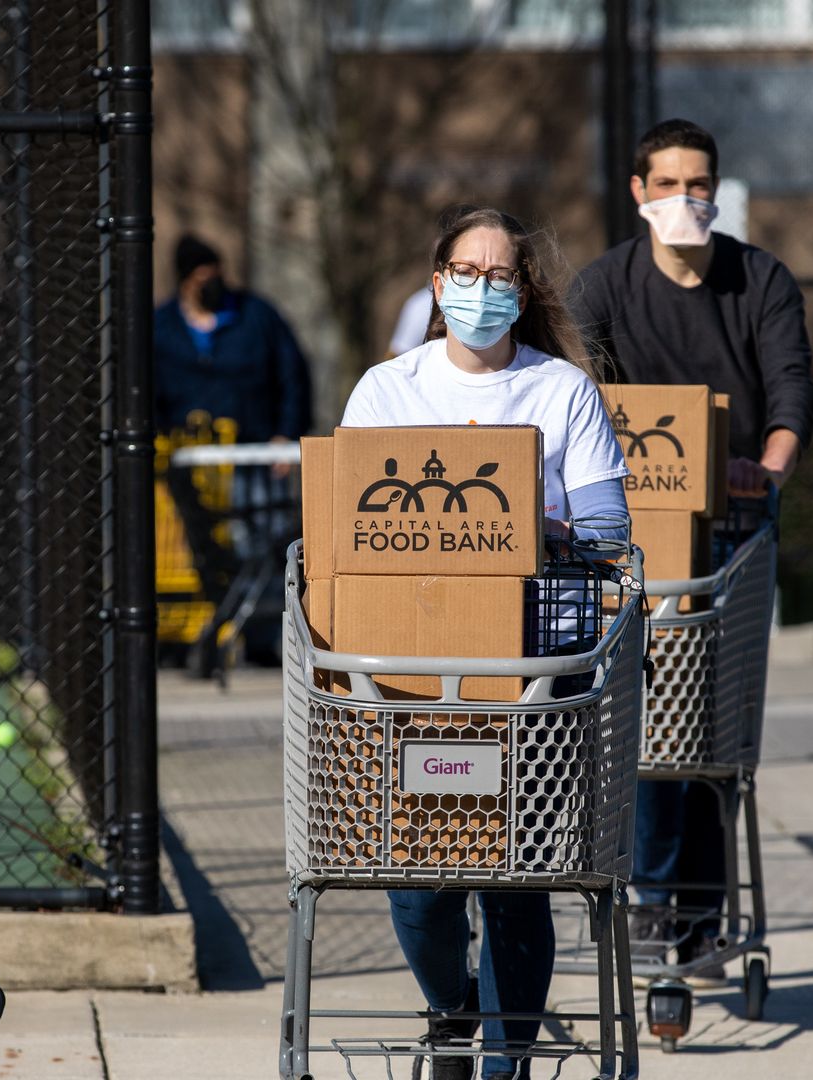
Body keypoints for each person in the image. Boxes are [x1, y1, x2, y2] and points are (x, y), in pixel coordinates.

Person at [341, 207, 630, 1080]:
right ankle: (451, 1008)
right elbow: (341, 525)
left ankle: (505, 1063)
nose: (481, 290)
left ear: (522, 291)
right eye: (465, 274)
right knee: (420, 883)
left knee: (515, 879)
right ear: (437, 286)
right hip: (411, 674)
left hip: (531, 668)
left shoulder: (560, 391)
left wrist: (519, 522)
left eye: (499, 276)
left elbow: (609, 528)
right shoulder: (388, 390)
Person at [573, 118, 813, 984]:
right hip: (637, 537)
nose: (686, 198)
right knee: (649, 724)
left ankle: (698, 915)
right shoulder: (603, 286)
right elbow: (583, 394)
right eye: (667, 183)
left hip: (732, 532)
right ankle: (658, 907)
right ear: (638, 192)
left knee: (710, 734)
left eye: (699, 182)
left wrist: (769, 471)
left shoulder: (759, 280)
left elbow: (790, 388)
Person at [155, 234, 312, 561]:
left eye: (215, 276)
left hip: (252, 453)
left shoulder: (256, 315)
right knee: (195, 543)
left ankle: (263, 606)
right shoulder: (162, 326)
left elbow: (292, 373)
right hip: (189, 458)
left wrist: (287, 433)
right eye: (201, 279)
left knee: (260, 537)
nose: (211, 285)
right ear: (185, 282)